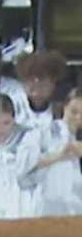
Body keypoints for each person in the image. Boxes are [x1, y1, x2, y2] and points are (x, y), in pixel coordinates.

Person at [21, 87, 82, 217]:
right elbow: (23, 171)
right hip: (47, 210)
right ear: (64, 107)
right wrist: (58, 155)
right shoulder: (44, 132)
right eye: (74, 112)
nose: (79, 118)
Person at [15, 50, 68, 132]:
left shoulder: (62, 111)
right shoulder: (13, 106)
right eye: (31, 77)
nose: (36, 81)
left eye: (41, 77)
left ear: (53, 83)